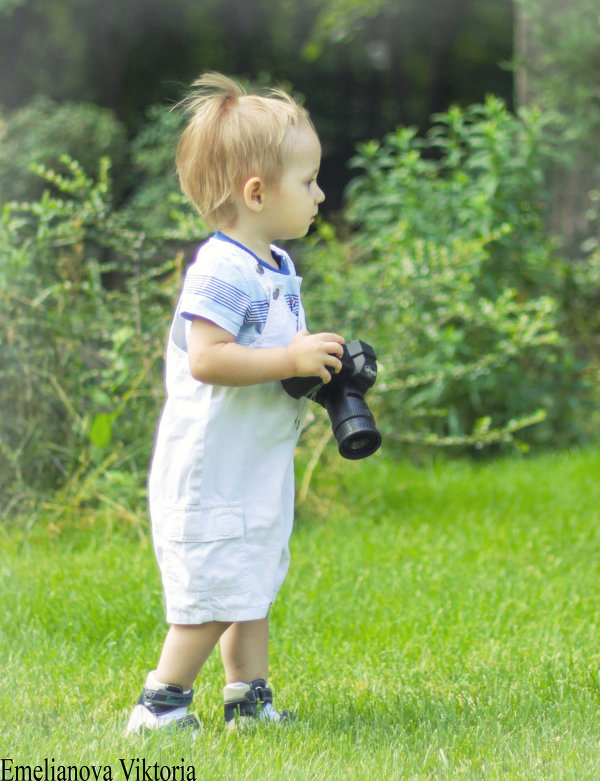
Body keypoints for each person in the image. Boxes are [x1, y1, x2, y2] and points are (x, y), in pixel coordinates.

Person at [125, 73, 345, 734]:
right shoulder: (221, 267)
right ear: (257, 192)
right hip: (212, 470)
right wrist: (289, 359)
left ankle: (248, 699)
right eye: (308, 181)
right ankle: (160, 703)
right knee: (215, 591)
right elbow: (208, 356)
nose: (320, 193)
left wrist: (318, 363)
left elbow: (273, 349)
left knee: (251, 581)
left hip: (252, 465)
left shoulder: (271, 263)